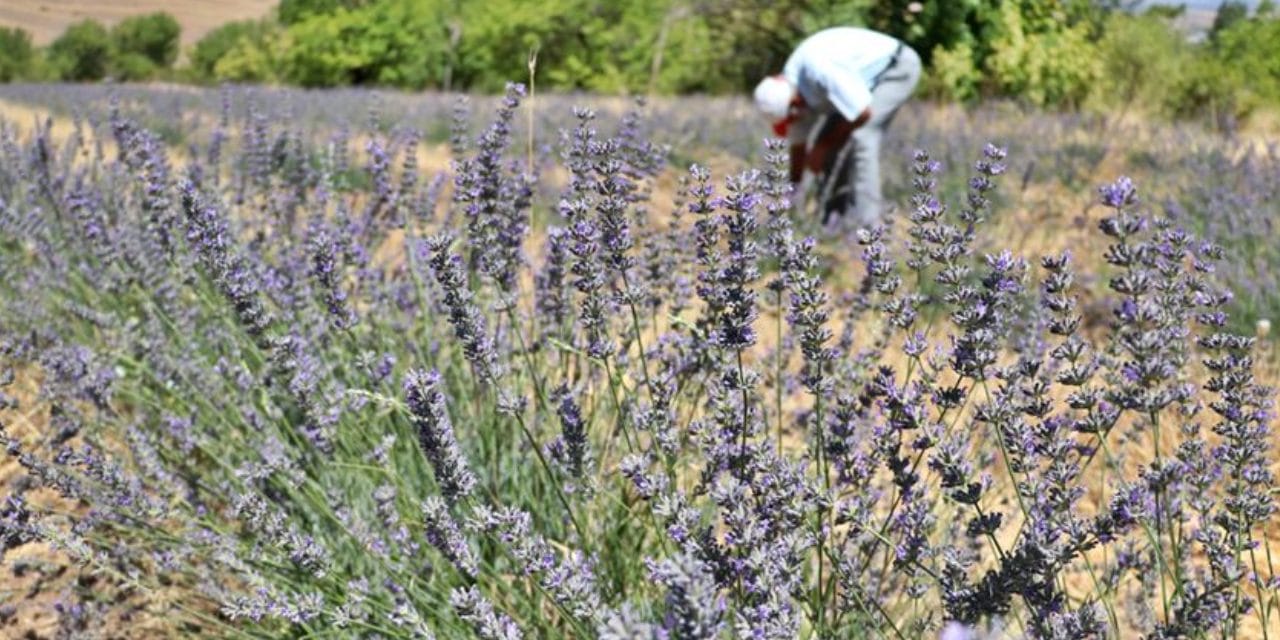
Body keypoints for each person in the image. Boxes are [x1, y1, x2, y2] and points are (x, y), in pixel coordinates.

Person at [754, 27, 921, 225]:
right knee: (831, 143)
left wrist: (821, 147)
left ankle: (870, 227)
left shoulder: (818, 68)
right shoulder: (791, 95)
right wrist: (789, 202)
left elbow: (862, 113)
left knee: (861, 137)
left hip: (896, 67)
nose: (793, 122)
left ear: (795, 105)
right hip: (859, 90)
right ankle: (833, 221)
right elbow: (798, 149)